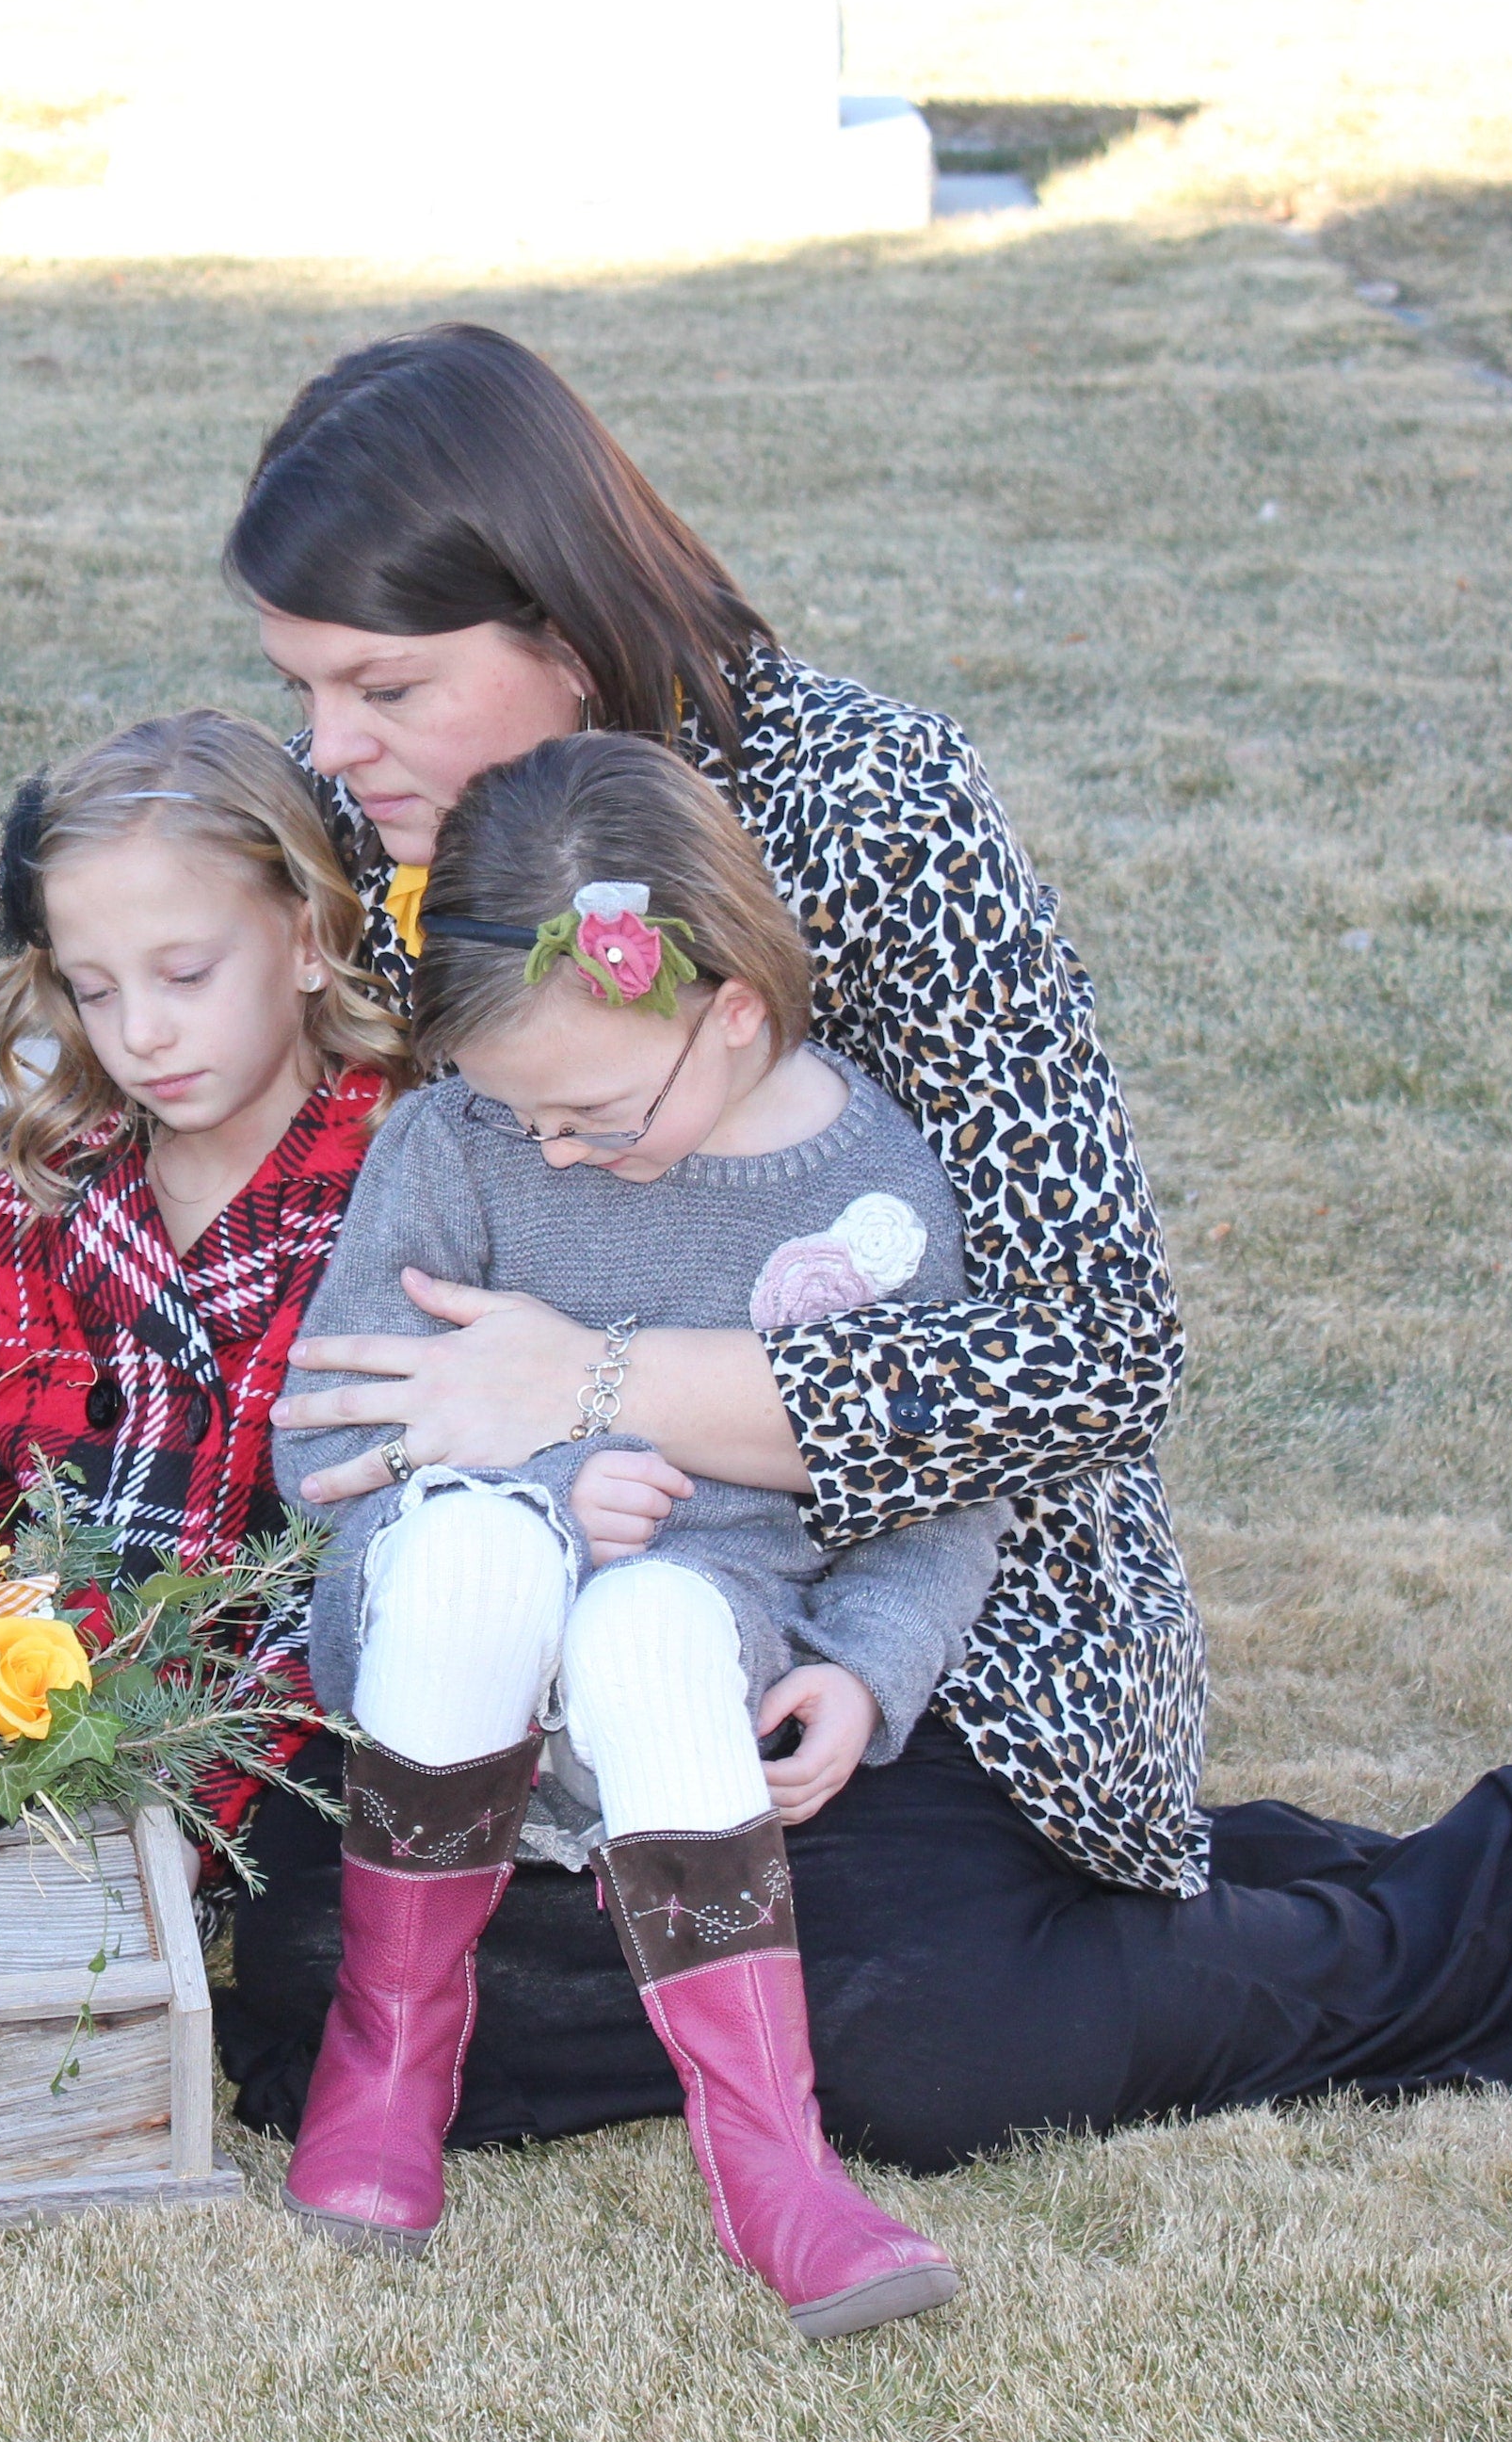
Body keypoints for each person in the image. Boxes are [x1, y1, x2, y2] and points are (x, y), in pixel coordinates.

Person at [213, 321, 1512, 2193]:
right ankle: (943, 1924)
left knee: (929, 2037)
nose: (331, 745)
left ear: (563, 632)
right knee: (313, 1975)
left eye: (381, 686)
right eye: (305, 686)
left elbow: (1087, 1346)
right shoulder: (369, 822)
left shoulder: (875, 810)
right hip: (543, 1607)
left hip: (923, 1611)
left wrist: (585, 1381)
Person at [273, 734, 999, 2335]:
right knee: (488, 1551)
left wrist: (873, 1666)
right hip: (434, 1644)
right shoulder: (457, 1146)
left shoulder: (868, 1199)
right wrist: (549, 1477)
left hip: (684, 1675)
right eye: (513, 1106)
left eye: (587, 1110)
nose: (549, 1148)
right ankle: (390, 2055)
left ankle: (770, 2162)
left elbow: (946, 1482)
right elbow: (319, 1440)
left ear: (730, 1011)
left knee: (649, 1619)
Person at [0, 709, 404, 1836]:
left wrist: (170, 1785)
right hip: (24, 1749)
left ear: (309, 938)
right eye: (97, 990)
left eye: (185, 973)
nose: (141, 1033)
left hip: (296, 1765)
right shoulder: (41, 1195)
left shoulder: (412, 1188)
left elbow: (372, 1568)